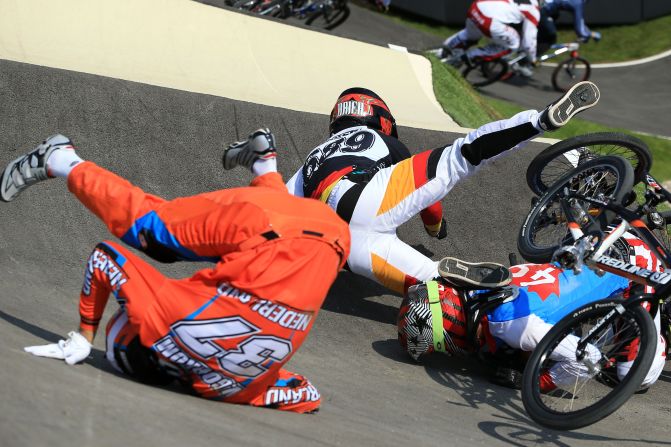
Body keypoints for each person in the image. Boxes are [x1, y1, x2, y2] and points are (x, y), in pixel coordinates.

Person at [1, 129, 350, 413]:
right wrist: (82, 338)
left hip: (334, 239)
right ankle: (62, 161)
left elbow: (306, 394)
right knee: (159, 235)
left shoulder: (235, 390)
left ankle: (59, 157)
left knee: (187, 241)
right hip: (268, 225)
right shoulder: (158, 320)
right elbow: (104, 259)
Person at [284, 81, 601, 296]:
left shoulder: (310, 161)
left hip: (341, 245)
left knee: (436, 286)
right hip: (367, 200)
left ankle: (443, 282)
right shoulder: (382, 141)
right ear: (381, 118)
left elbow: (276, 206)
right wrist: (436, 229)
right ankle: (539, 120)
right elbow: (427, 204)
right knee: (462, 155)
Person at [397, 231, 667, 391]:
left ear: (449, 326)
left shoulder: (512, 326)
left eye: (440, 345)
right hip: (600, 241)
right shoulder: (478, 284)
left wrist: (537, 381)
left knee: (635, 376)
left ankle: (661, 326)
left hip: (636, 269)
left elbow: (588, 361)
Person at [437, 0, 541, 78]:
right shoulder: (534, 11)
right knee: (514, 43)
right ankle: (469, 55)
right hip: (490, 21)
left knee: (469, 34)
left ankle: (443, 49)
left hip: (476, 7)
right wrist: (532, 59)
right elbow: (528, 42)